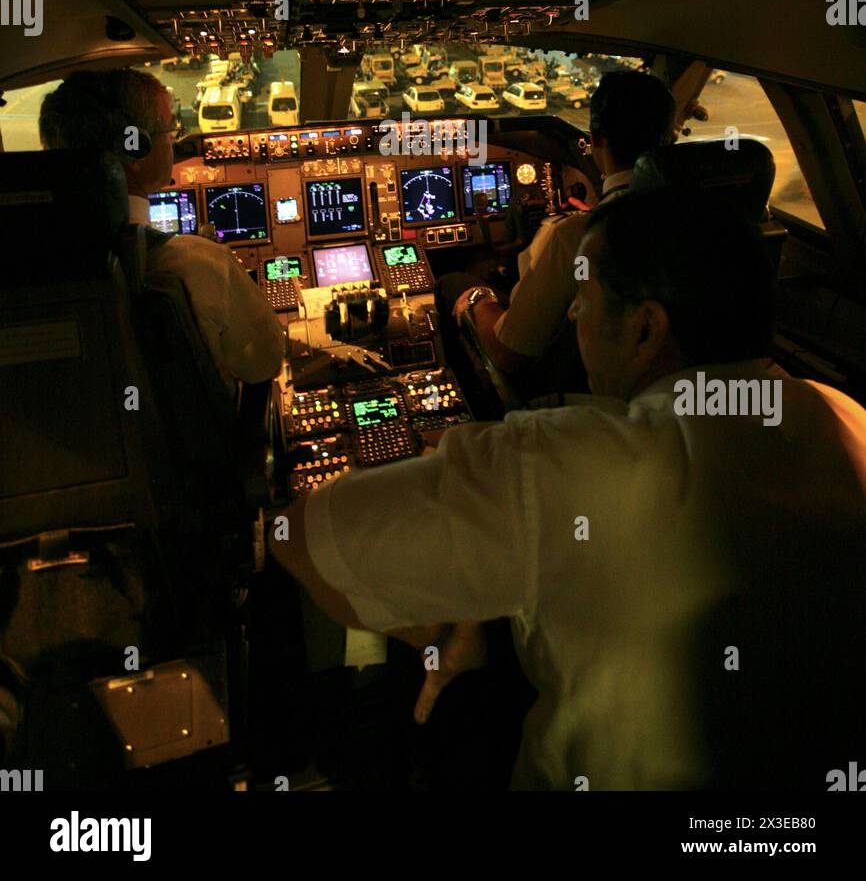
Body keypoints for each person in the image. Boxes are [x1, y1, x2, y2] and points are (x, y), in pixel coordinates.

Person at [270, 190, 866, 790]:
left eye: (582, 300)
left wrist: (450, 624)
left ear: (645, 330)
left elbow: (301, 537)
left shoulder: (556, 462)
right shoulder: (849, 420)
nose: (573, 317)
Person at [39, 68, 285, 393]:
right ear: (134, 150)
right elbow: (264, 363)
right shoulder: (198, 264)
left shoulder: (25, 265)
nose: (174, 141)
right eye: (170, 130)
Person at [437, 70, 676, 379]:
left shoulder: (575, 236)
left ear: (595, 138)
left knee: (452, 281)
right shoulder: (702, 220)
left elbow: (507, 354)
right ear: (669, 139)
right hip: (654, 386)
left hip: (559, 395)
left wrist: (478, 297)